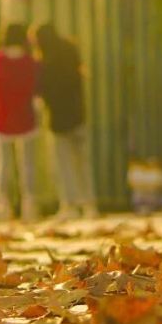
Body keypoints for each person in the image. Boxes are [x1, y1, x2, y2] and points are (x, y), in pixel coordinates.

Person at [32, 22, 97, 219]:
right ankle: (89, 205)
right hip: (78, 115)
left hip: (58, 120)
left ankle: (69, 205)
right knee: (83, 162)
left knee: (64, 164)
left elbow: (42, 93)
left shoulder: (45, 62)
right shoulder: (70, 50)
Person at [0, 21, 38, 221]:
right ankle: (29, 205)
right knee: (27, 164)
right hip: (26, 118)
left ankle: (2, 206)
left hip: (1, 118)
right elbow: (34, 91)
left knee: (3, 163)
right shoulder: (30, 62)